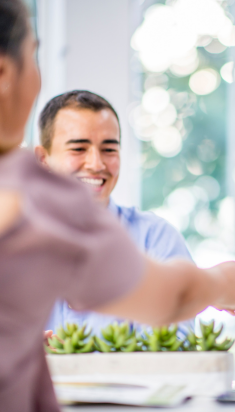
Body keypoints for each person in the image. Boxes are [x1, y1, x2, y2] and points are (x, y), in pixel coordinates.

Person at [0, 1, 235, 410]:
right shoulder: (36, 197)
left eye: (108, 148)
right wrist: (221, 281)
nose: (96, 163)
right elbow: (168, 298)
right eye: (32, 55)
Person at [34, 90, 194, 335]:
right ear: (43, 160)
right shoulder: (9, 241)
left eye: (109, 149)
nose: (97, 165)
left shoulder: (156, 238)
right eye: (78, 149)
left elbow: (175, 342)